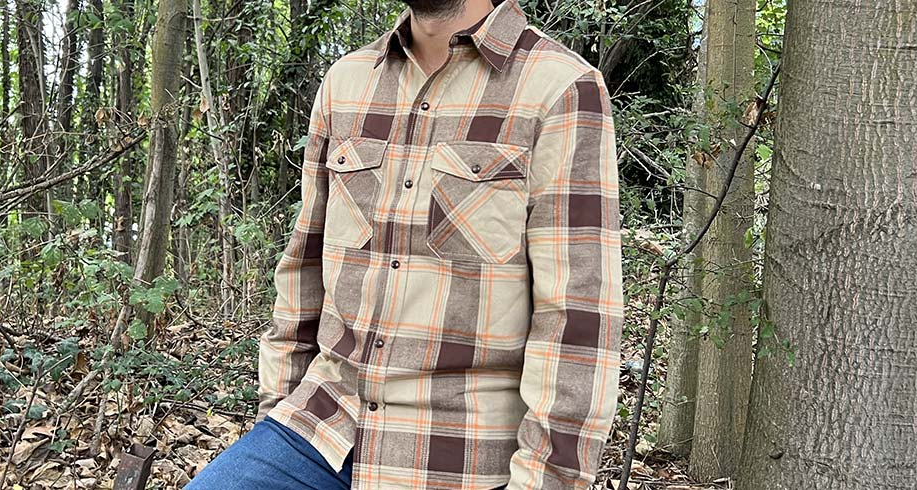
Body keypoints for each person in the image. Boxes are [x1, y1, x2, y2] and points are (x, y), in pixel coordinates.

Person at [185, 0, 622, 488]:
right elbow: (303, 268)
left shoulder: (561, 89)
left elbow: (578, 322)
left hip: (459, 453)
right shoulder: (348, 82)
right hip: (322, 427)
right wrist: (276, 417)